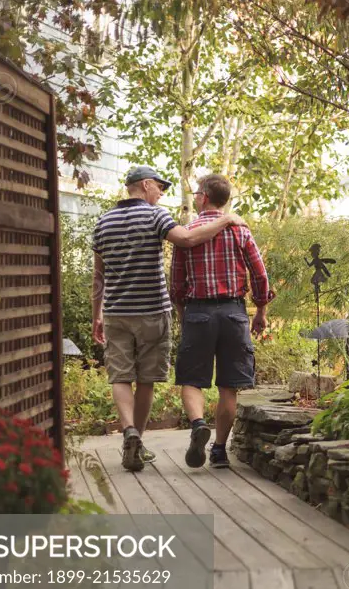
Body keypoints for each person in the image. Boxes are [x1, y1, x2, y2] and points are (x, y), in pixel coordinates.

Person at [91, 165, 248, 473]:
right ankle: (137, 435)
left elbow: (99, 275)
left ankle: (129, 435)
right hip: (152, 310)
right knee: (146, 378)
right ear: (145, 185)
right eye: (159, 187)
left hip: (115, 312)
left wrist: (95, 314)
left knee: (120, 376)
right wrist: (228, 218)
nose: (161, 192)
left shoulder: (103, 222)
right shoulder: (156, 215)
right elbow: (188, 240)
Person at [170, 173, 273, 469]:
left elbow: (176, 281)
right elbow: (260, 274)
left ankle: (199, 424)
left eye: (196, 194)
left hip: (198, 312)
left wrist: (182, 314)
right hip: (233, 313)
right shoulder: (240, 230)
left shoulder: (187, 232)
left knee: (191, 380)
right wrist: (261, 310)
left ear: (203, 197)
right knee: (229, 386)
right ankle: (218, 450)